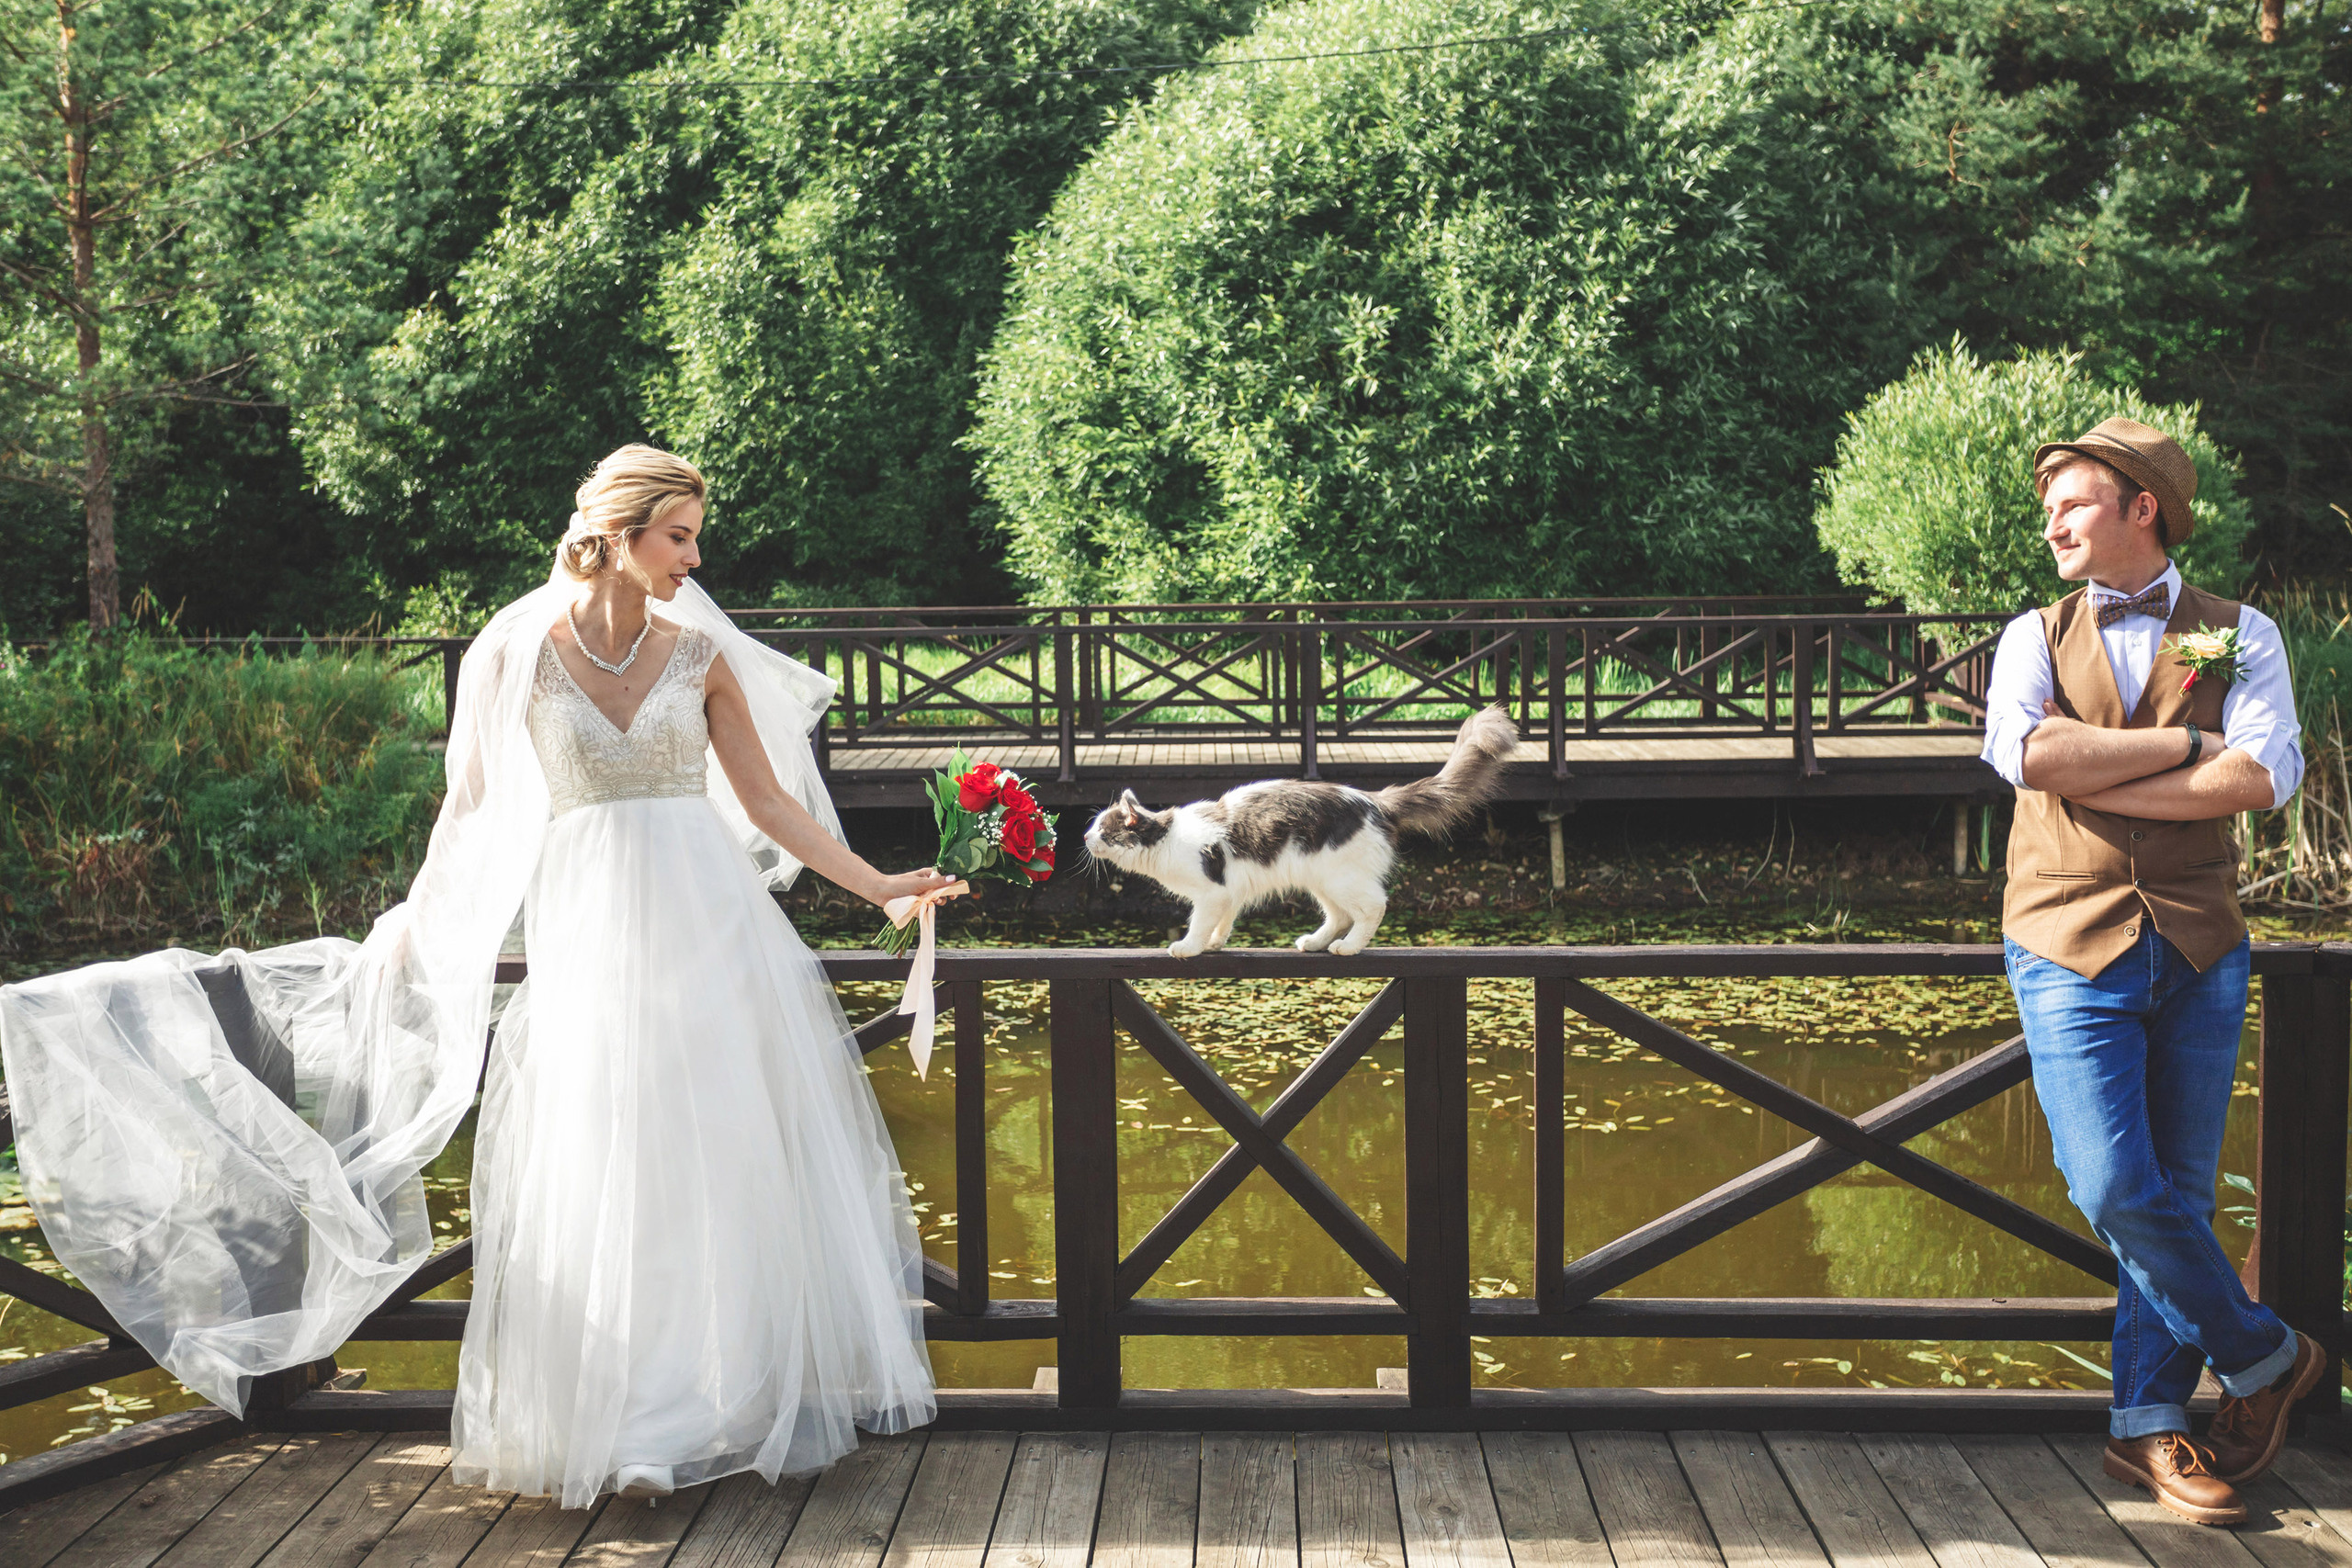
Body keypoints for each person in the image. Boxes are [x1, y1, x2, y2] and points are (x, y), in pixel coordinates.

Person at [0, 446, 957, 1507]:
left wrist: (879, 885)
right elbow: (466, 813)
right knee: (605, 1156)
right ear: (619, 533)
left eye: (694, 538)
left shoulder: (700, 657)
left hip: (712, 931)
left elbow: (772, 809)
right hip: (589, 930)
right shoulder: (513, 654)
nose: (694, 560)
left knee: (717, 1154)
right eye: (678, 536)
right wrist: (418, 922)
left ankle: (728, 1401)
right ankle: (631, 1414)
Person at [1981, 417, 2324, 1528]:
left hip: (2200, 945)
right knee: (2113, 1187)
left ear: (2142, 509)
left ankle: (2150, 1427)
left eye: (2070, 504)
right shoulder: (2031, 634)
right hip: (2062, 940)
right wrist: (2186, 747)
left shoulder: (2240, 632)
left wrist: (2113, 772)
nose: (2051, 525)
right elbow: (2025, 754)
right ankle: (2265, 1355)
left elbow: (2261, 776)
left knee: (2173, 1191)